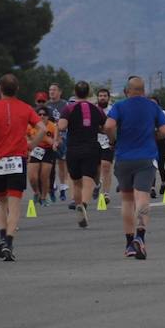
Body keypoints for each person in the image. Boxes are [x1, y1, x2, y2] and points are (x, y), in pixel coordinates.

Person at [0, 74, 44, 261]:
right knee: (15, 203)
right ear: (17, 89)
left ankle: (1, 238)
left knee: (0, 201)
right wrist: (31, 145)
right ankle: (9, 241)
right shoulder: (26, 108)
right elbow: (41, 128)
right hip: (17, 159)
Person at [104, 76, 165, 258]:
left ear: (128, 91)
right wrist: (153, 136)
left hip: (124, 157)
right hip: (146, 157)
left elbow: (108, 125)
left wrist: (113, 139)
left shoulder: (120, 106)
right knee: (142, 197)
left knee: (126, 200)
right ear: (144, 91)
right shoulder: (152, 107)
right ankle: (140, 236)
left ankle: (128, 243)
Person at [58, 81, 107, 228]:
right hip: (91, 148)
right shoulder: (97, 109)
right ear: (89, 93)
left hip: (73, 149)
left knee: (77, 182)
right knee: (89, 180)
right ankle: (83, 205)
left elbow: (61, 126)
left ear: (75, 92)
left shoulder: (69, 108)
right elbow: (105, 128)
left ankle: (79, 204)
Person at [29, 107, 58, 205]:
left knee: (44, 176)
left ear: (48, 116)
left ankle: (44, 197)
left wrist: (54, 143)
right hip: (36, 150)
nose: (41, 116)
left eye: (44, 114)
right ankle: (36, 192)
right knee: (32, 177)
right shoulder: (31, 125)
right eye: (39, 114)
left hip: (48, 151)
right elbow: (25, 135)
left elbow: (57, 140)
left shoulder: (52, 126)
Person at [95, 88, 115, 205]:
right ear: (97, 97)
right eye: (100, 96)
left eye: (104, 96)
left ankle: (106, 193)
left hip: (108, 141)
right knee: (95, 168)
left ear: (108, 98)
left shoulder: (112, 110)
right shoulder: (93, 109)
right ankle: (97, 184)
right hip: (94, 141)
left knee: (106, 166)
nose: (102, 98)